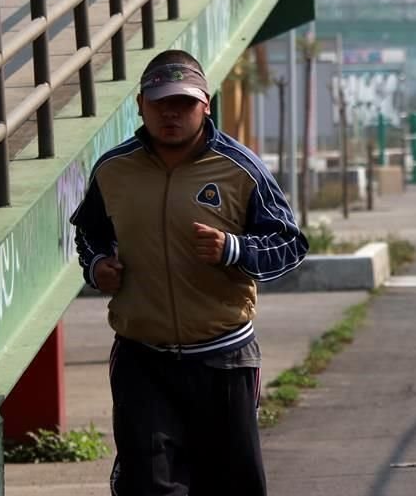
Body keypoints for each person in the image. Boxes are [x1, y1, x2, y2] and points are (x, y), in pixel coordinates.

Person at [70, 49, 308, 496]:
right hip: (144, 358)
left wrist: (233, 248)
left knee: (233, 485)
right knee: (148, 485)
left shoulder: (242, 169)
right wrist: (97, 265)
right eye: (160, 103)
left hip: (224, 359)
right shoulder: (114, 169)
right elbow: (89, 235)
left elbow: (290, 245)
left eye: (183, 103)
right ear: (140, 105)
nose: (171, 114)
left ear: (206, 104)